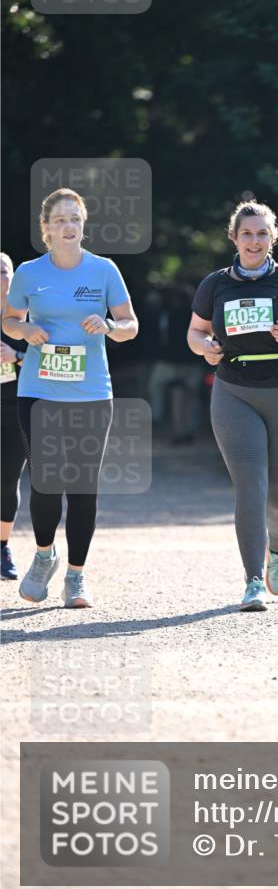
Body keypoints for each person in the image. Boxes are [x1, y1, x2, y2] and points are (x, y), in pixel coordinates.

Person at [1, 187, 138, 608]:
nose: (68, 227)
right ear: (46, 228)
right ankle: (44, 556)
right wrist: (25, 331)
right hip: (39, 391)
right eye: (59, 220)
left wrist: (110, 327)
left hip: (92, 394)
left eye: (75, 219)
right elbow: (8, 320)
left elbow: (131, 323)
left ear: (84, 225)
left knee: (82, 486)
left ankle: (76, 576)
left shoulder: (104, 271)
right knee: (45, 480)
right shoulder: (28, 272)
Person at [187, 199, 278, 612]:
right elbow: (194, 333)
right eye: (246, 233)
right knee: (250, 486)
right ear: (234, 237)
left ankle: (277, 551)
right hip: (234, 390)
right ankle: (252, 581)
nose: (254, 240)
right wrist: (206, 349)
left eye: (262, 233)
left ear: (272, 238)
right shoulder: (215, 284)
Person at [1, 253, 28, 579]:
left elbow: (50, 355)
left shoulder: (26, 318)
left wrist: (17, 355)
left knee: (6, 483)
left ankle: (2, 547)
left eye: (4, 271)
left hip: (15, 408)